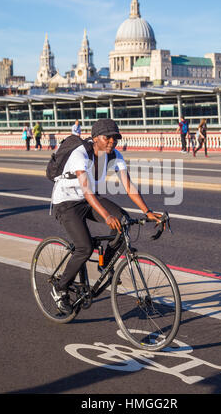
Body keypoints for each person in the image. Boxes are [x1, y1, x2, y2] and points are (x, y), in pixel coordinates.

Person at [51, 119, 162, 314]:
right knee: (84, 248)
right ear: (95, 138)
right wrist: (106, 216)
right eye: (107, 137)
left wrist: (147, 211)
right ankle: (60, 288)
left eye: (115, 137)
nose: (112, 141)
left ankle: (105, 265)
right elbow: (87, 191)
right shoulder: (80, 155)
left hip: (88, 199)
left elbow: (128, 186)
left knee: (124, 220)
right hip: (67, 202)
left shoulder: (115, 155)